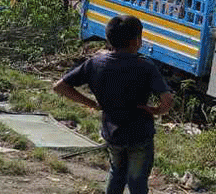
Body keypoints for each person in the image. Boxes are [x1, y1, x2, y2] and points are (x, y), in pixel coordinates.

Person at [53, 15, 173, 194]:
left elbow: (60, 86)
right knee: (137, 181)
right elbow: (167, 100)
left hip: (112, 133)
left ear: (109, 39)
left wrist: (92, 104)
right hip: (139, 135)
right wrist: (155, 110)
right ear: (136, 41)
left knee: (116, 173)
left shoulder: (95, 63)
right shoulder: (146, 67)